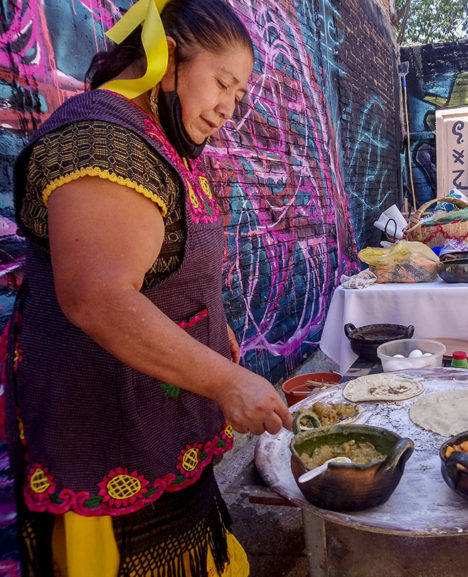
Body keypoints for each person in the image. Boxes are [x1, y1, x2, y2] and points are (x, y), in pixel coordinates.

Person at [3, 0, 292, 575]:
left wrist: (217, 327)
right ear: (169, 58)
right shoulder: (100, 139)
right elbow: (99, 298)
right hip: (104, 431)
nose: (228, 110)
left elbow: (171, 269)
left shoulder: (157, 138)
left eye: (238, 96)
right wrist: (228, 381)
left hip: (158, 418)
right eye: (223, 84)